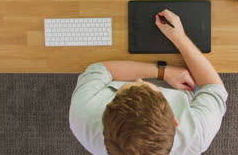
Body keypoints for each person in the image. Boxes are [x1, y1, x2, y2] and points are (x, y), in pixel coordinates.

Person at [70, 9, 228, 155]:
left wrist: (163, 72)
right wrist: (178, 37)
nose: (139, 79)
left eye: (125, 88)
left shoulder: (83, 117)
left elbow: (100, 69)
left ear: (105, 115)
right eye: (147, 86)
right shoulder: (197, 135)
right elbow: (213, 86)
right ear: (175, 121)